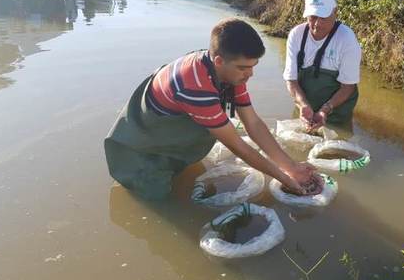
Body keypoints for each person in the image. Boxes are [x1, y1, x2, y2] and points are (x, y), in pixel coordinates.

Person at [104, 18, 320, 200]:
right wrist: (285, 179)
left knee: (181, 170)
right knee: (156, 196)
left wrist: (290, 166)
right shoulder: (195, 86)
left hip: (171, 127)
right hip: (141, 145)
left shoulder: (230, 71)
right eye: (244, 68)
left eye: (253, 67)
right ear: (218, 61)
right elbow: (237, 145)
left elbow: (252, 122)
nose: (249, 75)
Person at [283, 0, 362, 131]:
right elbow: (291, 80)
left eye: (323, 17)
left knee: (337, 148)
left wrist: (326, 109)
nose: (317, 24)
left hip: (336, 113)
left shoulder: (347, 40)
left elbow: (348, 86)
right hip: (305, 110)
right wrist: (303, 104)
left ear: (335, 12)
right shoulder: (296, 35)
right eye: (312, 17)